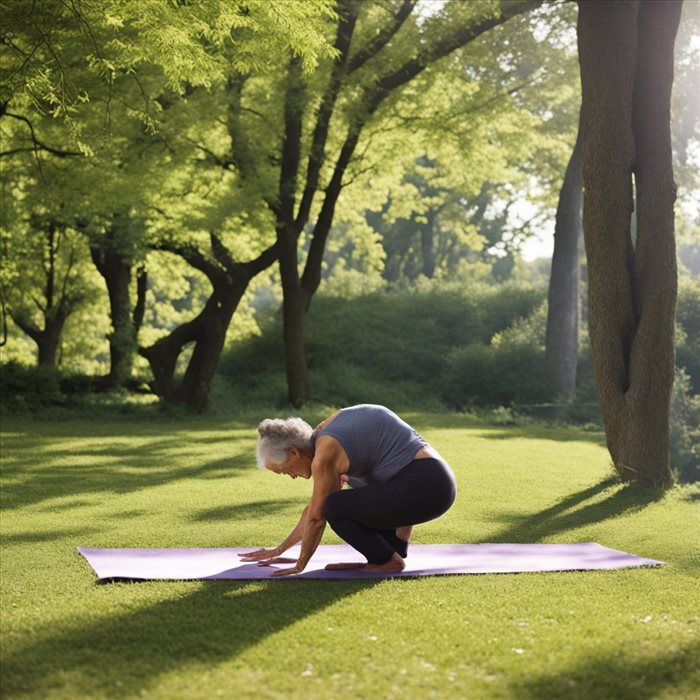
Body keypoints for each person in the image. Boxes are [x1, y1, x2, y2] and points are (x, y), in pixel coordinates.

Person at [239, 404, 457, 577]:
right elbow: (312, 510)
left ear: (294, 452)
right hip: (433, 482)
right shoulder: (328, 434)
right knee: (342, 496)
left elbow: (317, 516)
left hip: (427, 484)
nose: (291, 476)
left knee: (334, 505)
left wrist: (299, 566)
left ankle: (388, 560)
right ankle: (387, 555)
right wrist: (279, 550)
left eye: (284, 471)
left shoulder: (325, 452)